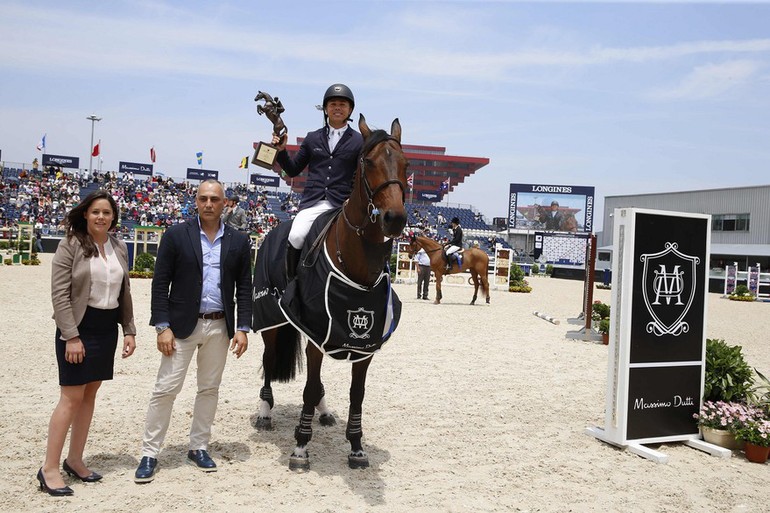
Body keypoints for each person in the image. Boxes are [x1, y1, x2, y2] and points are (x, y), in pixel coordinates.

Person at [134, 179, 252, 483]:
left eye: (215, 199)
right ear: (195, 201)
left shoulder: (239, 241)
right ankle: (150, 452)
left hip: (219, 326)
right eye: (204, 199)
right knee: (166, 389)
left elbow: (245, 289)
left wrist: (242, 328)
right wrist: (162, 326)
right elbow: (160, 284)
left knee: (209, 389)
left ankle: (198, 446)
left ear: (225, 203)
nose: (209, 204)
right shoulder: (176, 235)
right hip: (182, 327)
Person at [40, 190, 137, 496]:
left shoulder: (119, 246)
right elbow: (59, 294)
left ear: (113, 217)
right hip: (77, 327)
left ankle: (75, 459)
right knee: (70, 398)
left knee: (90, 395)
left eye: (106, 213)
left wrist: (129, 330)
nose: (101, 217)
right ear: (85, 213)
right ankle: (49, 469)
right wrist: (70, 335)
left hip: (106, 328)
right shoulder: (70, 245)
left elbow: (125, 292)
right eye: (95, 211)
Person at [270, 83, 364, 279]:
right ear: (326, 109)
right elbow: (293, 169)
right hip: (314, 202)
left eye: (342, 104)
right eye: (333, 104)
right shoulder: (312, 138)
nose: (337, 108)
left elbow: (361, 176)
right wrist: (281, 151)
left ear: (350, 109)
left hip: (344, 204)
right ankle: (292, 284)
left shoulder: (359, 141)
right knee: (296, 236)